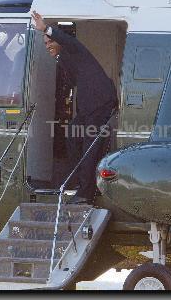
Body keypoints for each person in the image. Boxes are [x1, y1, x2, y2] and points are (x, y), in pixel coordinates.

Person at [31, 11, 118, 204]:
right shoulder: (62, 58)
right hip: (88, 106)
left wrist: (45, 28)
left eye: (50, 42)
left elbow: (67, 41)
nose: (48, 46)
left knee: (89, 146)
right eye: (45, 43)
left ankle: (86, 193)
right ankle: (78, 181)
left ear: (59, 40)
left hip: (100, 102)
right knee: (72, 134)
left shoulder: (74, 48)